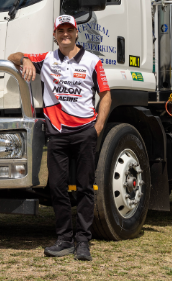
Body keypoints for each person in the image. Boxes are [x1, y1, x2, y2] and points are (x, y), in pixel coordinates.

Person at [8, 15, 111, 262]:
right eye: (60, 30)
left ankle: (83, 241)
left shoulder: (92, 61)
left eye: (69, 30)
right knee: (57, 187)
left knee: (86, 188)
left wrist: (97, 128)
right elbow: (12, 57)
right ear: (54, 35)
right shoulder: (46, 59)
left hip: (85, 131)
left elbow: (106, 96)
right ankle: (64, 239)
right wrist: (25, 61)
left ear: (76, 33)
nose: (65, 34)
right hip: (57, 134)